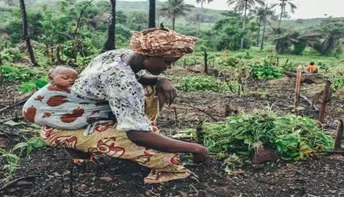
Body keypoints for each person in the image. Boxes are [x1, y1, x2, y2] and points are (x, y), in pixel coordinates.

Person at [23, 26, 210, 184]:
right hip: (58, 127)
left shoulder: (120, 55)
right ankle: (76, 145)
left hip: (74, 112)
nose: (169, 67)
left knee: (149, 91)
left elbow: (137, 77)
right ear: (148, 55)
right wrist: (194, 148)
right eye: (168, 62)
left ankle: (82, 148)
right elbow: (137, 135)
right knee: (167, 158)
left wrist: (159, 79)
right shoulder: (121, 81)